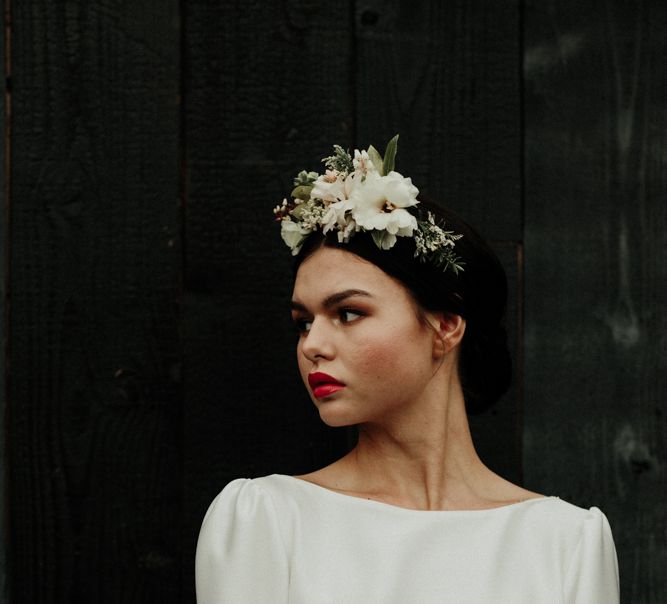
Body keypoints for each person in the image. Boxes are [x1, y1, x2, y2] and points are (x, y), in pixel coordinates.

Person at [195, 136, 620, 603]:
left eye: (349, 312)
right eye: (303, 322)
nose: (312, 345)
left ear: (446, 326)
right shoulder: (267, 520)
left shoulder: (566, 542)